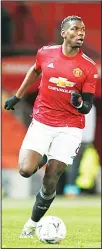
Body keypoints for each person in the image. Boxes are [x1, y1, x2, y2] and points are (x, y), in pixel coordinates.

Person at [4, 15, 98, 238]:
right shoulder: (45, 53)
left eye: (83, 30)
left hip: (70, 126)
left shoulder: (88, 67)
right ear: (64, 33)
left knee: (51, 178)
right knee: (25, 170)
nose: (81, 33)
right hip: (42, 122)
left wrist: (79, 103)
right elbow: (35, 71)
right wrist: (17, 97)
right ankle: (45, 157)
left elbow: (86, 106)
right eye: (75, 29)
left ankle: (31, 224)